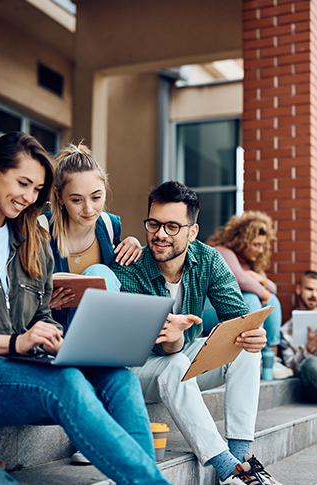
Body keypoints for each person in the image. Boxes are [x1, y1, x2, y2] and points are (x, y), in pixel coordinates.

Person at [0, 132, 172, 485]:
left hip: (27, 366)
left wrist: (55, 338)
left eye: (36, 189)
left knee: (120, 380)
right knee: (66, 381)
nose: (29, 197)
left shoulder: (30, 238)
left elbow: (40, 317)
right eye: (23, 183)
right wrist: (18, 342)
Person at [111, 181, 282, 485]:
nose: (160, 234)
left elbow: (238, 317)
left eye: (173, 226)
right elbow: (150, 346)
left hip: (178, 357)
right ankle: (228, 470)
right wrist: (173, 338)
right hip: (134, 368)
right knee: (174, 364)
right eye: (154, 223)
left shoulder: (208, 259)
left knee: (244, 346)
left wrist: (254, 334)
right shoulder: (131, 265)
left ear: (192, 232)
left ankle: (242, 455)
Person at [44, 143, 142, 334]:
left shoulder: (109, 225)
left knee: (101, 272)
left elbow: (118, 281)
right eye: (77, 200)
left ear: (105, 189)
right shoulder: (41, 231)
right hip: (55, 333)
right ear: (59, 196)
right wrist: (42, 304)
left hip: (102, 329)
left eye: (96, 197)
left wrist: (135, 244)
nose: (89, 210)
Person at [205, 211, 293, 380]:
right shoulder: (223, 251)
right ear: (242, 240)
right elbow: (239, 278)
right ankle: (253, 357)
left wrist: (258, 278)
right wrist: (260, 287)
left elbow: (272, 289)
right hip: (210, 310)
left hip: (236, 313)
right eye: (256, 244)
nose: (260, 250)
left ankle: (270, 359)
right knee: (252, 298)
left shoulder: (251, 264)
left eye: (263, 246)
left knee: (272, 301)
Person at [281, 271, 317, 402]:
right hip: (311, 378)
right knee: (310, 363)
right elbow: (292, 368)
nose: (314, 294)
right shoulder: (286, 331)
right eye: (309, 289)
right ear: (298, 289)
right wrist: (308, 349)